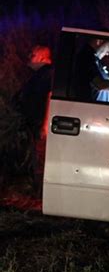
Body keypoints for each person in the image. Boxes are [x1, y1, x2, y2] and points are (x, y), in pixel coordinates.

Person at [16, 45, 53, 198]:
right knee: (32, 157)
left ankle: (39, 194)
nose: (29, 55)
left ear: (42, 57)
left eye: (33, 54)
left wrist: (45, 125)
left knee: (38, 158)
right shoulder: (39, 74)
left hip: (39, 124)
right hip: (32, 123)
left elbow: (49, 97)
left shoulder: (48, 73)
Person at [74, 38, 109, 103]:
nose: (108, 53)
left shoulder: (94, 59)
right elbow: (101, 84)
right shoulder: (86, 58)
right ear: (99, 41)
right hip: (94, 110)